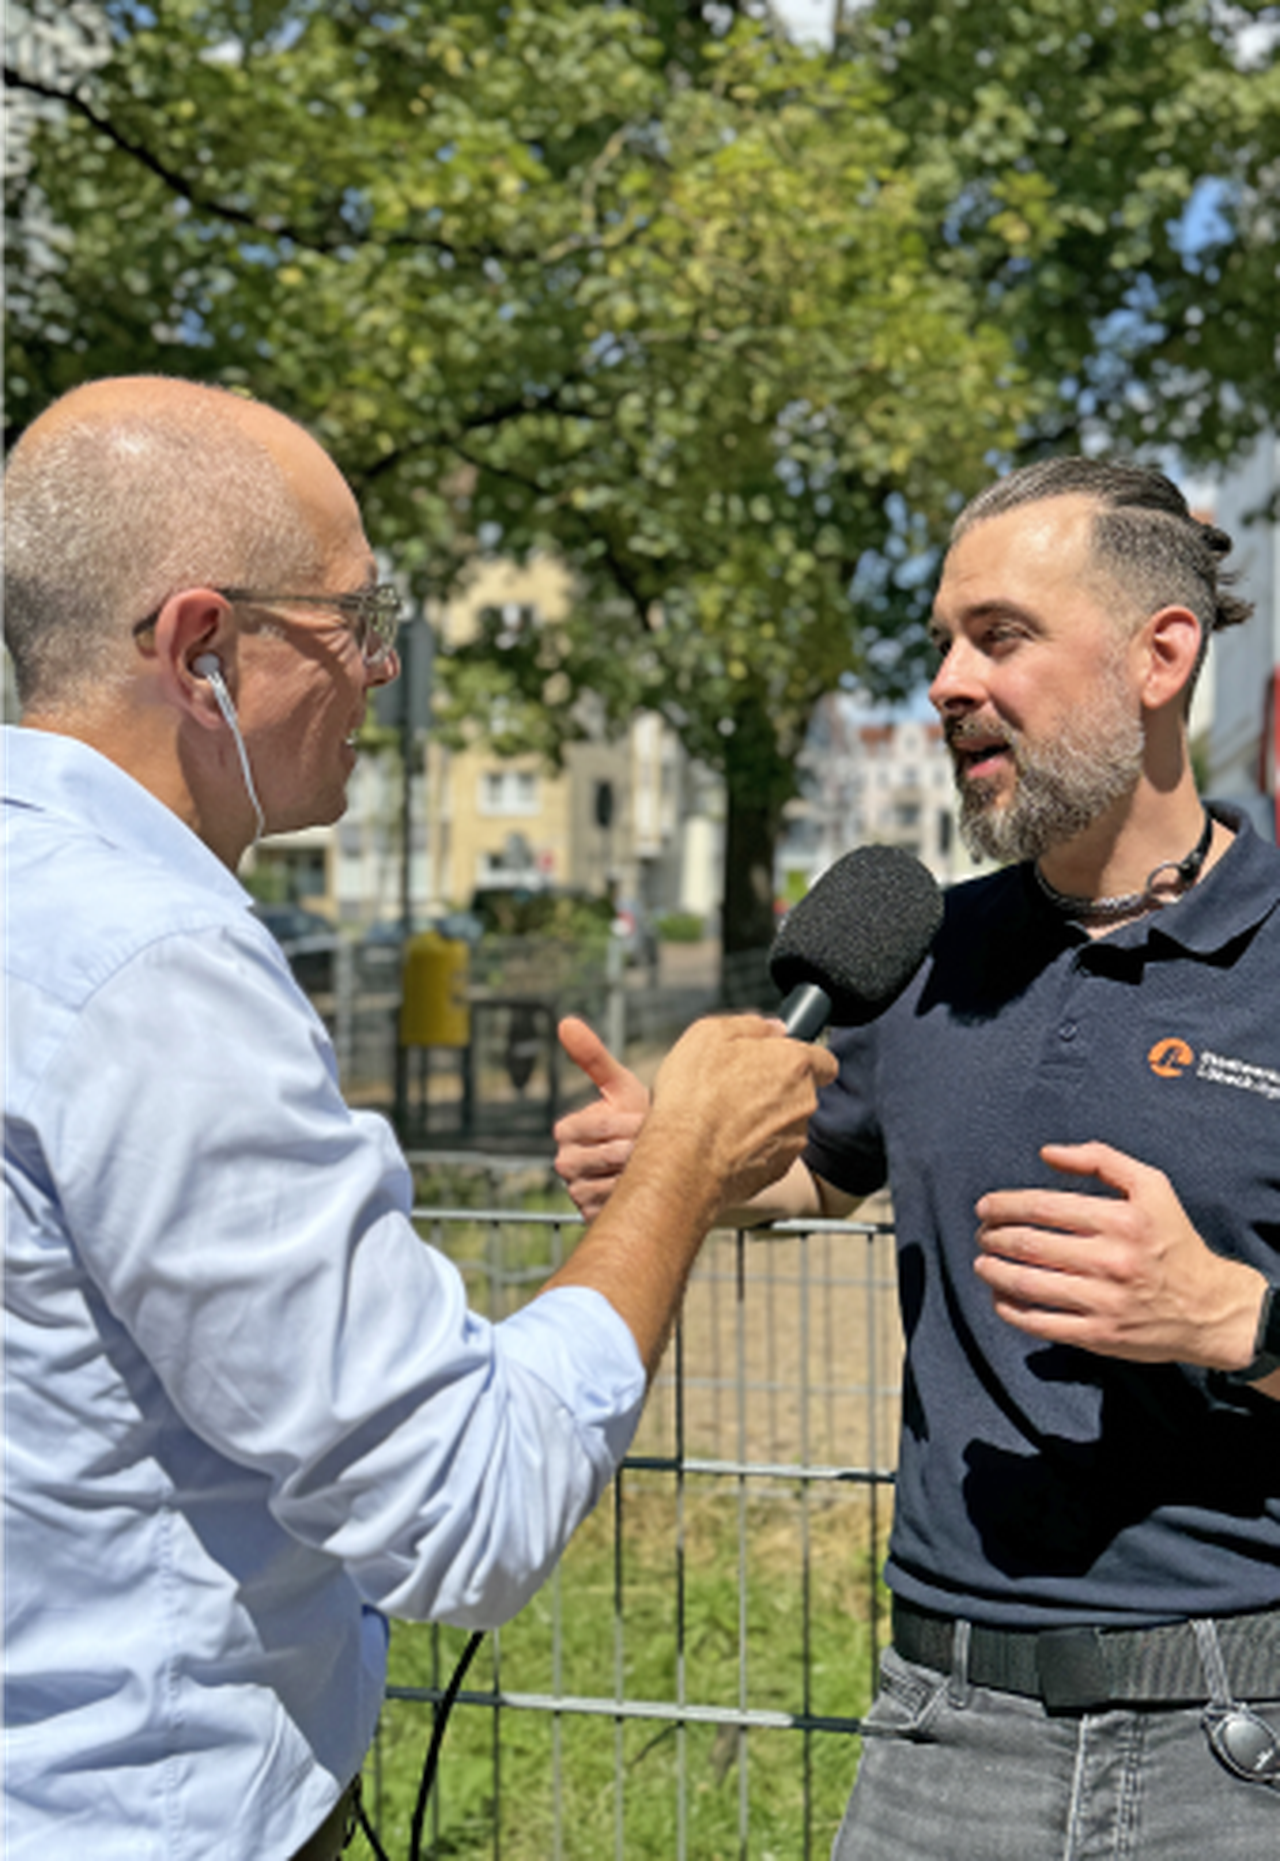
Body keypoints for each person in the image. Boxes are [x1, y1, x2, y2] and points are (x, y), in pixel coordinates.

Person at [0, 375, 837, 1859]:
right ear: (201, 649)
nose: (383, 671)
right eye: (355, 621)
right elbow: (469, 1499)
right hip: (153, 1810)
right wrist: (686, 1164)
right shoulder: (156, 970)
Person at [554, 457, 1280, 1857]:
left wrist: (1231, 1317)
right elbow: (817, 1165)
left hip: (1238, 1740)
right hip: (939, 1734)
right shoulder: (923, 951)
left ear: (1161, 654)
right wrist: (683, 1158)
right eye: (939, 641)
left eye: (998, 637)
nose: (946, 682)